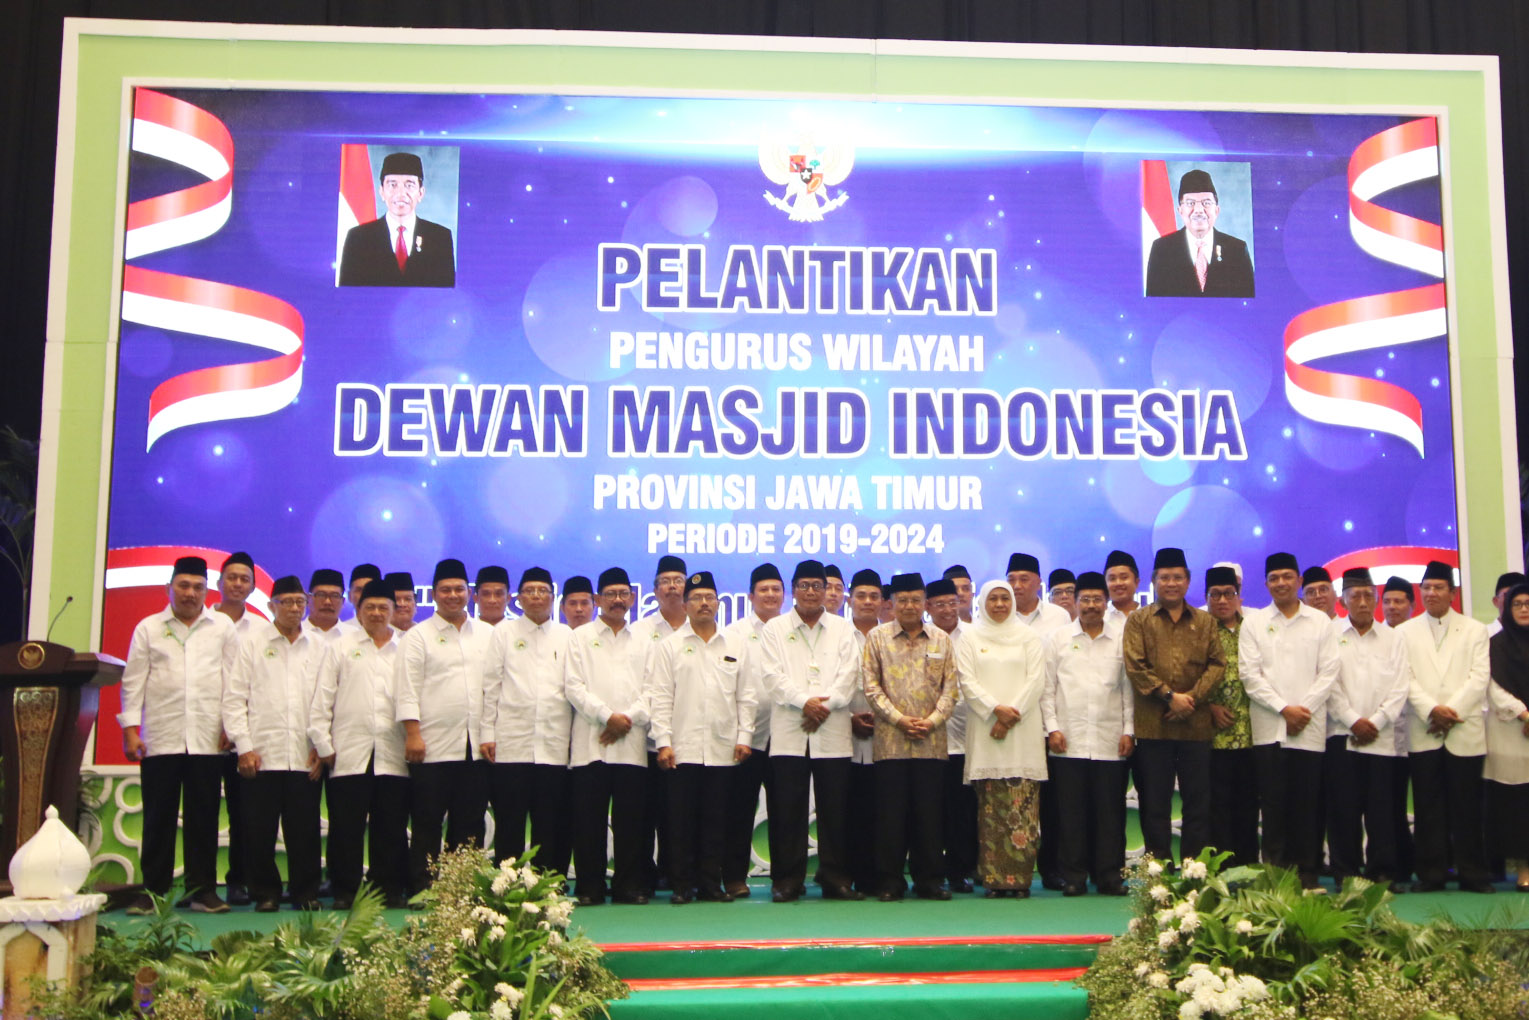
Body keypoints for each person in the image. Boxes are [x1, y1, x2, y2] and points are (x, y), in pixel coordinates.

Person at [119, 556, 239, 914]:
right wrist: (129, 730)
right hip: (161, 736)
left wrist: (230, 727)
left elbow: (233, 681)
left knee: (203, 819)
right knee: (158, 818)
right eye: (183, 586)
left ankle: (202, 891)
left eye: (198, 587)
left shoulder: (222, 628)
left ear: (208, 590)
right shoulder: (149, 628)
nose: (190, 593)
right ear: (169, 588)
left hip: (207, 737)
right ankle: (153, 892)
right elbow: (133, 681)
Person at [648, 571, 756, 903]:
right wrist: (663, 742)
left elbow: (746, 696)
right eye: (696, 598)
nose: (704, 603)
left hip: (724, 748)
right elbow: (661, 697)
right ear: (685, 604)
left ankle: (711, 884)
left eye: (709, 597)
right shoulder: (670, 647)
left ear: (719, 604)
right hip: (682, 749)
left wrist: (745, 736)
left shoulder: (736, 646)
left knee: (716, 821)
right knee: (680, 822)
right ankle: (683, 886)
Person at [760, 559, 861, 901]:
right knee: (787, 810)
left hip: (832, 733)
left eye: (818, 586)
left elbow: (849, 678)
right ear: (793, 589)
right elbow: (772, 678)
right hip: (790, 732)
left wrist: (823, 707)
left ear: (828, 590)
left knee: (836, 810)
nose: (811, 592)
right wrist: (806, 702)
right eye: (804, 585)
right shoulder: (774, 628)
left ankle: (835, 878)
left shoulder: (843, 629)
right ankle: (787, 880)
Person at [224, 575, 326, 911]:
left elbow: (327, 702)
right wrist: (244, 746)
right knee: (259, 830)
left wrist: (322, 748)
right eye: (287, 602)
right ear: (272, 606)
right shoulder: (252, 643)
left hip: (304, 755)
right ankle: (265, 893)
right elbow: (235, 698)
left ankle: (305, 893)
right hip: (261, 755)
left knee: (305, 831)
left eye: (300, 602)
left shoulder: (319, 646)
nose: (295, 609)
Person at [309, 577, 410, 909]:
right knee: (345, 829)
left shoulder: (407, 647)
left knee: (391, 828)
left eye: (384, 607)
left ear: (395, 610)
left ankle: (388, 889)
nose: (377, 613)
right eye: (370, 607)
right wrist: (323, 744)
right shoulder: (340, 646)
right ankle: (344, 890)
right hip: (348, 753)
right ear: (358, 609)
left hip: (394, 753)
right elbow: (323, 698)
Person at [1239, 552, 1339, 887]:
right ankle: (1276, 877)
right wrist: (1284, 709)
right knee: (1273, 808)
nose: (1281, 583)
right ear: (1266, 583)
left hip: (1308, 730)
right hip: (1269, 731)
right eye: (1274, 578)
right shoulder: (1253, 623)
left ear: (1298, 580)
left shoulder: (1320, 622)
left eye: (1287, 576)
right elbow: (1249, 676)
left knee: (1307, 807)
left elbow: (1328, 673)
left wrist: (1302, 710)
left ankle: (1308, 875)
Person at [1121, 547, 1225, 866]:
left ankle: (1193, 869)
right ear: (1153, 581)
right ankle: (1160, 870)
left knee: (1197, 803)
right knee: (1155, 804)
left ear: (1188, 581)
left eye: (1177, 577)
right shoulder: (1139, 620)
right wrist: (1170, 697)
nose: (1171, 583)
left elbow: (1217, 664)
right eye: (1164, 577)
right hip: (1154, 728)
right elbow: (1136, 666)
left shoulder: (1206, 621)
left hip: (1196, 729)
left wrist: (1189, 700)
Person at [395, 558, 490, 893]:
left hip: (475, 747)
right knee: (426, 822)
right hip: (431, 746)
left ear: (469, 593)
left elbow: (494, 689)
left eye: (459, 589)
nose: (453, 595)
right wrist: (413, 734)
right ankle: (422, 887)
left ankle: (461, 888)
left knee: (470, 824)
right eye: (445, 589)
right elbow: (406, 688)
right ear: (433, 594)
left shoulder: (488, 634)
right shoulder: (418, 636)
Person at [1398, 560, 1493, 892]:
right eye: (1426, 588)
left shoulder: (1474, 629)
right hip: (1424, 730)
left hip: (1463, 730)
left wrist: (1448, 713)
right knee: (1428, 808)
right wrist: (1431, 712)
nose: (1431, 593)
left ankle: (1472, 874)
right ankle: (1431, 874)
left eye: (1439, 588)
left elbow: (1479, 678)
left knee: (1467, 808)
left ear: (1452, 593)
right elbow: (1404, 679)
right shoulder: (1404, 632)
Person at [863, 573, 958, 901]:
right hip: (890, 743)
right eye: (902, 600)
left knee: (929, 815)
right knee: (890, 816)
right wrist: (900, 719)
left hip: (931, 742)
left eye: (915, 600)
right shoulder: (876, 638)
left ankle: (930, 880)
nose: (908, 606)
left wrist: (931, 721)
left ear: (925, 604)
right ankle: (889, 881)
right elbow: (871, 688)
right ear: (891, 604)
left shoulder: (942, 640)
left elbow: (951, 689)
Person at [1042, 571, 1132, 895]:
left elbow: (1128, 690)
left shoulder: (1122, 637)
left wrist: (1129, 731)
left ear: (1106, 602)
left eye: (1097, 599)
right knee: (1071, 814)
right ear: (1075, 602)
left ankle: (1109, 876)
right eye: (1085, 599)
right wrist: (1051, 728)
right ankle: (1074, 877)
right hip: (1068, 740)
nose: (1091, 605)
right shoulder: (1058, 638)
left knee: (1111, 814)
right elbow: (1047, 689)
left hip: (1111, 740)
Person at [564, 567, 651, 905]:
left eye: (623, 594)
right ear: (598, 599)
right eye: (610, 594)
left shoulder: (644, 641)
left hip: (631, 745)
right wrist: (606, 717)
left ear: (631, 598)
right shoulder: (579, 638)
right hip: (591, 744)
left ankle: (628, 886)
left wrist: (626, 719)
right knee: (589, 821)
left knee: (631, 821)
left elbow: (654, 690)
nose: (617, 600)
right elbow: (573, 686)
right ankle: (590, 887)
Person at [481, 567, 574, 877]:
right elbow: (490, 685)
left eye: (542, 590)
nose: (536, 595)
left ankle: (549, 886)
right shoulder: (503, 633)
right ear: (518, 598)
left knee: (551, 822)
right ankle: (507, 885)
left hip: (554, 744)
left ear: (552, 597)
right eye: (530, 590)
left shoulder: (567, 636)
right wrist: (487, 733)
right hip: (512, 743)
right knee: (510, 822)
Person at [957, 580, 1047, 897]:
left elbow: (1037, 679)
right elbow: (966, 680)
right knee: (991, 811)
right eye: (992, 599)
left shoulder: (1029, 637)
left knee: (1024, 809)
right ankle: (994, 879)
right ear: (982, 602)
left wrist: (1009, 716)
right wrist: (995, 711)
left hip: (1022, 731)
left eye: (1004, 599)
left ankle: (1020, 879)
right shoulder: (969, 637)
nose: (998, 605)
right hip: (985, 732)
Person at [1325, 568, 1409, 890]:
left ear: (1376, 598)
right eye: (1355, 596)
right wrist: (1352, 720)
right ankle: (1346, 873)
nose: (1362, 602)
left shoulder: (1393, 638)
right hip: (1342, 736)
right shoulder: (1330, 635)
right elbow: (1328, 684)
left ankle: (1382, 871)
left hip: (1382, 737)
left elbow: (1400, 686)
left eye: (1368, 595)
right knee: (1343, 809)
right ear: (1343, 599)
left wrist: (1375, 722)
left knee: (1382, 810)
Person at [1006, 552, 1069, 889]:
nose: (1017, 585)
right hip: (1010, 722)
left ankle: (1052, 868)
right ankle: (1009, 866)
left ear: (1039, 583)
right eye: (1012, 578)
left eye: (1024, 579)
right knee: (1012, 798)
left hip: (1049, 722)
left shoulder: (1059, 617)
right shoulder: (998, 615)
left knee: (1054, 800)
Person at [722, 563, 785, 898]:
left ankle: (784, 879)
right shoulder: (733, 633)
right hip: (747, 736)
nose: (771, 595)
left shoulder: (794, 630)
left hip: (788, 735)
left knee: (785, 810)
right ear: (750, 596)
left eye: (776, 589)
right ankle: (734, 877)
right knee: (740, 810)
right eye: (764, 589)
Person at [631, 555, 688, 896]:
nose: (671, 586)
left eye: (677, 580)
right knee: (646, 811)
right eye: (665, 581)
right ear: (654, 589)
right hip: (647, 738)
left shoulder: (701, 627)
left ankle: (675, 870)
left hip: (688, 739)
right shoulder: (639, 632)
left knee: (678, 813)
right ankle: (645, 875)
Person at [1202, 565, 1258, 868]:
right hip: (1212, 734)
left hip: (1252, 731)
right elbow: (1187, 674)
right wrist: (1208, 707)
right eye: (1215, 595)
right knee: (1217, 806)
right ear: (1207, 597)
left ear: (1238, 595)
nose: (1222, 600)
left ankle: (1248, 866)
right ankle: (1221, 869)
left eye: (1228, 594)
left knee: (1248, 804)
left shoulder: (1254, 626)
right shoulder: (1200, 629)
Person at [213, 551, 258, 908]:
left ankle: (240, 880)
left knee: (245, 814)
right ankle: (201, 885)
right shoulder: (205, 622)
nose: (238, 584)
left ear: (253, 586)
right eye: (232, 578)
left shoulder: (260, 628)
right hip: (206, 735)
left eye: (245, 579)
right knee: (204, 812)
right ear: (219, 582)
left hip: (244, 736)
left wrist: (238, 729)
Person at [338, 152, 455, 287]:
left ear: (421, 193)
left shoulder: (440, 238)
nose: (400, 194)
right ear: (381, 191)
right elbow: (346, 294)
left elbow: (447, 295)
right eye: (393, 185)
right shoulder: (358, 237)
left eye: (409, 185)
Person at [928, 577, 976, 892]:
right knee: (932, 809)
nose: (947, 609)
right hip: (928, 737)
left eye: (952, 602)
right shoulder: (921, 637)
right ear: (928, 607)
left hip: (968, 736)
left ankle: (962, 871)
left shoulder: (974, 636)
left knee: (963, 810)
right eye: (939, 604)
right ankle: (933, 871)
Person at [1144, 168, 1255, 298]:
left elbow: (1250, 305)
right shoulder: (1162, 249)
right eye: (1190, 203)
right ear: (1180, 210)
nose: (1198, 210)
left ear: (1217, 210)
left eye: (1206, 203)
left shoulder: (1237, 250)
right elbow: (1154, 305)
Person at [1486, 581, 1529, 891]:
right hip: (1511, 732)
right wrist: (1525, 713)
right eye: (1518, 604)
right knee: (1517, 804)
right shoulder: (1496, 644)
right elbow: (1492, 687)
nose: (1524, 609)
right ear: (1507, 608)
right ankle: (1523, 866)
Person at [845, 568, 883, 896]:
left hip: (885, 738)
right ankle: (844, 876)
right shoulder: (838, 637)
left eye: (873, 596)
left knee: (879, 811)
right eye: (861, 596)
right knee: (845, 812)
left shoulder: (892, 636)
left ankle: (875, 877)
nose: (867, 602)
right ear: (850, 600)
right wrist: (848, 719)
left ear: (883, 601)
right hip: (842, 737)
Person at [1378, 575, 1418, 882]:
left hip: (1419, 729)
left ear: (1411, 604)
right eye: (1387, 601)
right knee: (1388, 803)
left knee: (1426, 801)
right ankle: (1396, 865)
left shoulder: (1416, 636)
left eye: (1399, 601)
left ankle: (1425, 862)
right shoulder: (1378, 636)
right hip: (1381, 732)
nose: (1392, 607)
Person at [305, 568, 348, 646]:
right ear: (308, 599)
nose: (327, 602)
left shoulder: (354, 635)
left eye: (335, 596)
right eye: (321, 595)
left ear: (343, 601)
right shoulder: (294, 634)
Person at [1103, 551, 1141, 632]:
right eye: (1112, 579)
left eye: (1124, 577)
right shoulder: (1099, 621)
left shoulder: (1151, 618)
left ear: (1137, 582)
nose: (1118, 583)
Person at [340, 563, 381, 634]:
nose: (364, 595)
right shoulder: (341, 633)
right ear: (350, 596)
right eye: (359, 590)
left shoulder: (393, 633)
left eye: (370, 589)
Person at [1486, 572, 1526, 637]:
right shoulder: (1484, 634)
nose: (1515, 601)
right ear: (1496, 601)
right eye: (1507, 595)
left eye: (1519, 595)